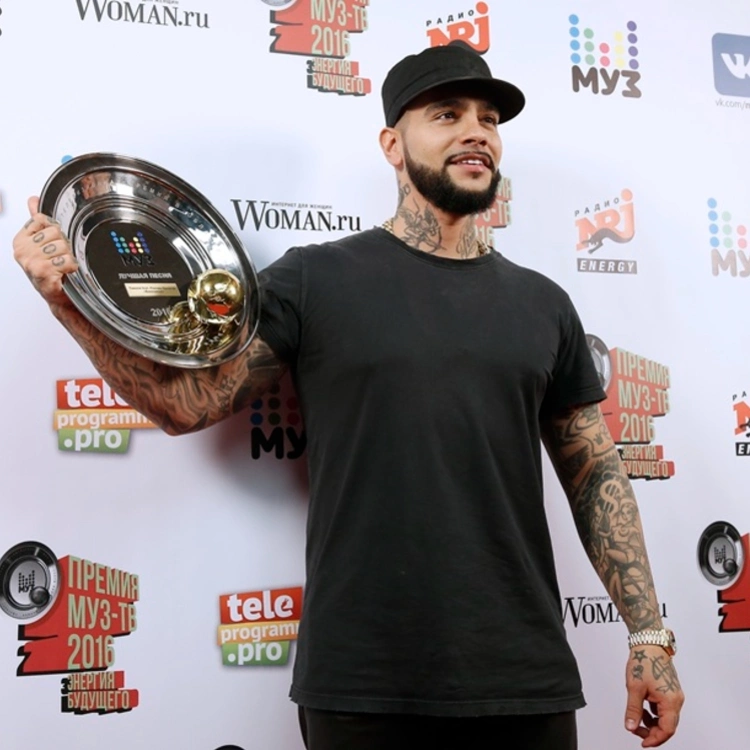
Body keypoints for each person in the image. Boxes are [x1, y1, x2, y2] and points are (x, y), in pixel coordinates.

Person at [14, 43, 683, 750]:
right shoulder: (315, 280)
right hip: (362, 683)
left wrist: (648, 635)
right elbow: (187, 405)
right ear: (392, 145)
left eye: (488, 119)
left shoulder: (544, 304)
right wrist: (67, 303)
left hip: (524, 679)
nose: (476, 132)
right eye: (447, 114)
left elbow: (595, 472)